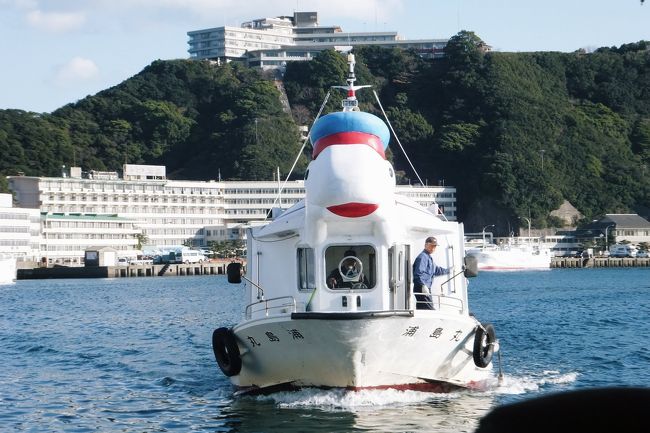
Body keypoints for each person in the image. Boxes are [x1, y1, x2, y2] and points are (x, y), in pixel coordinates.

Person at [412, 237, 449, 309]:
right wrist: (423, 285)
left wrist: (449, 270)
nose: (433, 248)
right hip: (422, 288)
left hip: (425, 288)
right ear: (426, 245)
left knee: (422, 309)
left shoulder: (428, 257)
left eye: (434, 246)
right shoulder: (423, 257)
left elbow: (436, 270)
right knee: (430, 309)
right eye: (431, 246)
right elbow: (418, 274)